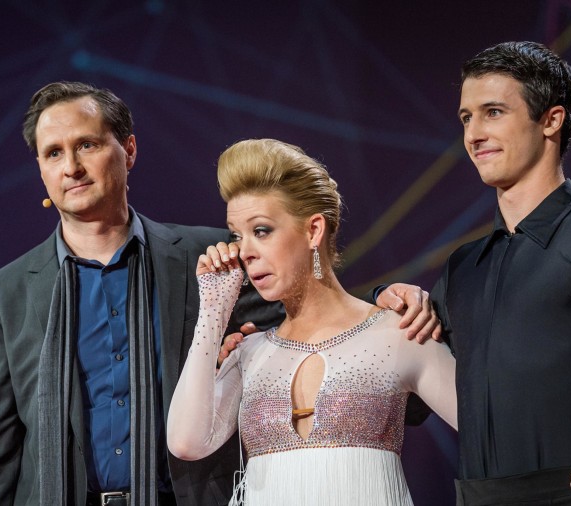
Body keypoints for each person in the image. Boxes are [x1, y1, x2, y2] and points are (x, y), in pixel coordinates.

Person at [0, 82, 285, 506]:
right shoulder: (2, 297)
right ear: (40, 168)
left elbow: (310, 324)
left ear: (128, 150)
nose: (71, 166)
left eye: (87, 145)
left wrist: (387, 299)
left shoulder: (208, 259)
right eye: (53, 153)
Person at [166, 138, 458, 505]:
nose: (245, 252)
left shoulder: (398, 331)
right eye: (236, 236)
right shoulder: (250, 352)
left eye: (261, 231)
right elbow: (186, 442)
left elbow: (494, 431)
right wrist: (212, 310)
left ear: (313, 230)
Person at [373, 41, 571, 504]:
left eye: (493, 112)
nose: (473, 134)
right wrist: (390, 309)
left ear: (552, 119)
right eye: (467, 117)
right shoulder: (464, 267)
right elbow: (411, 392)